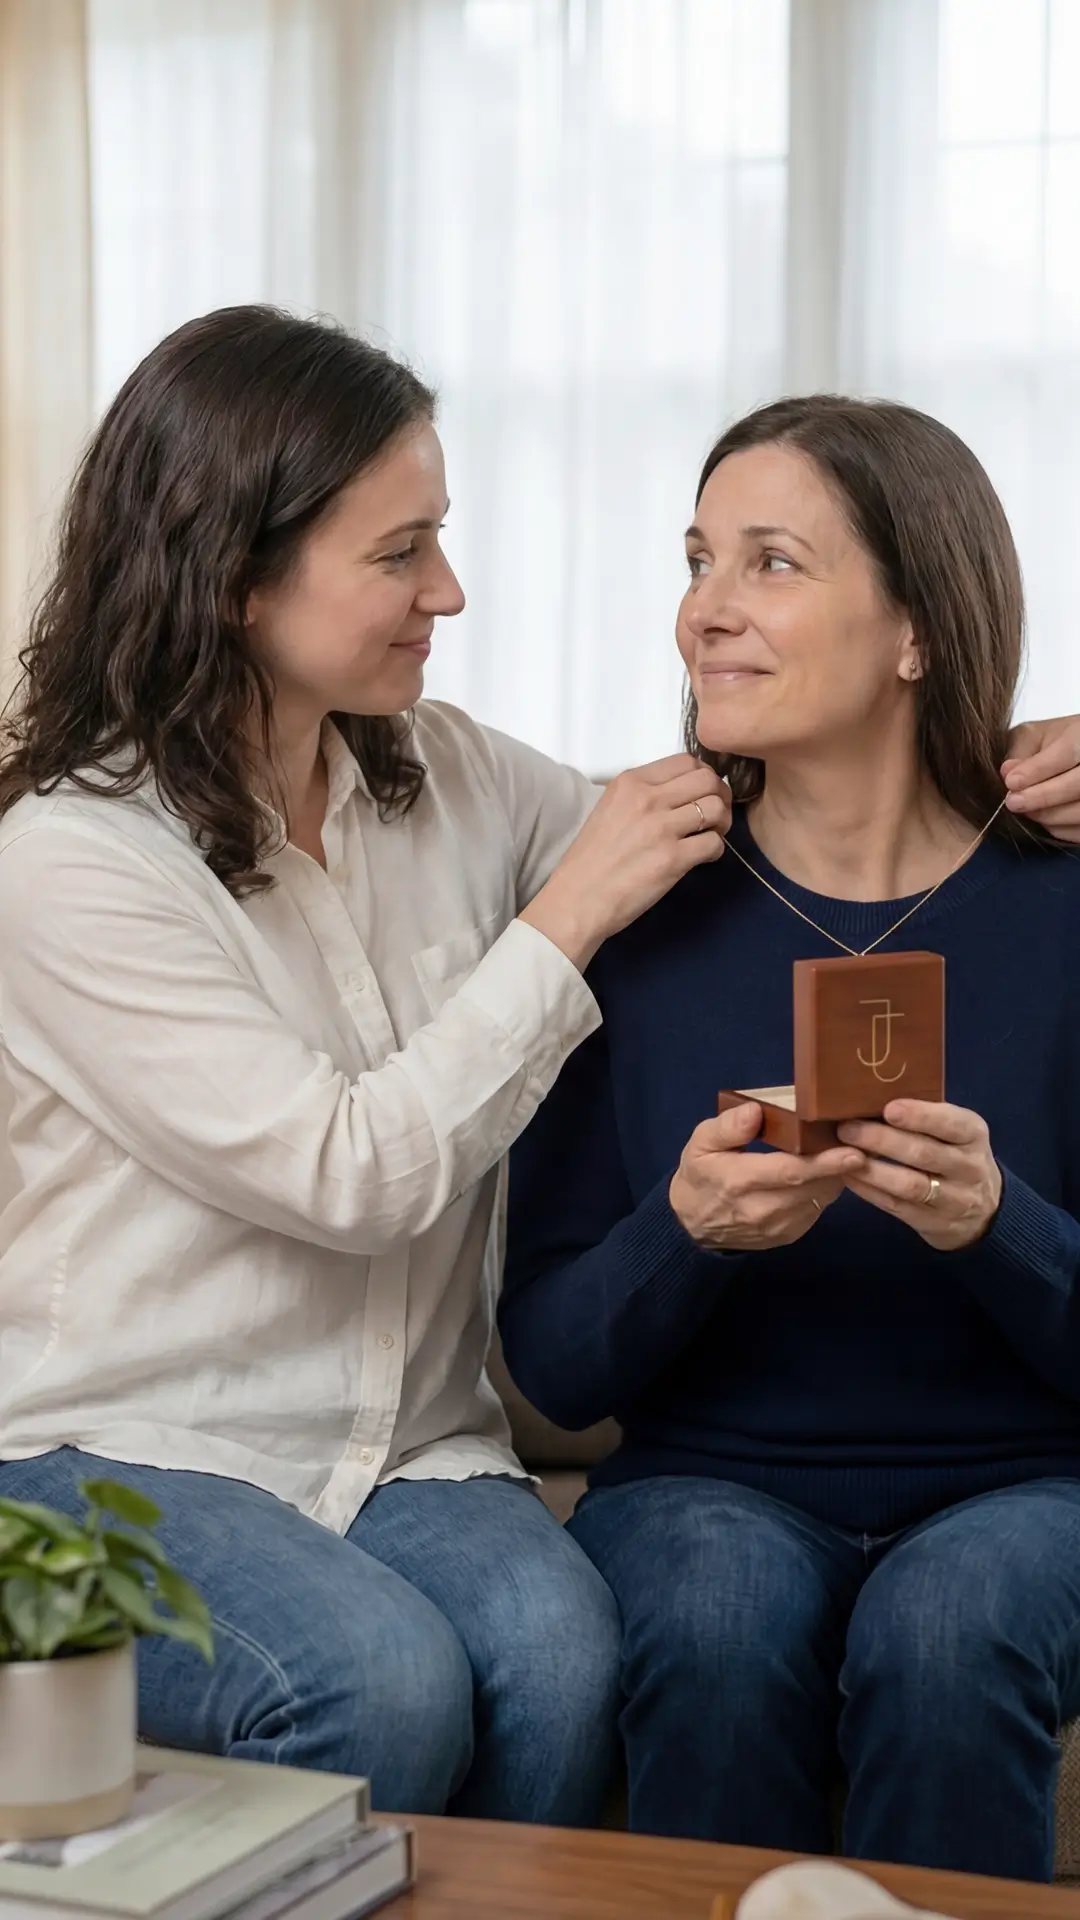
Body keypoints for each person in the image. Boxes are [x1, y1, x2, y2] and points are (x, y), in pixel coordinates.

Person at [0, 305, 738, 1822]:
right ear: (233, 571)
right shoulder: (72, 858)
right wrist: (568, 910)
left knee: (567, 1656)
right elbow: (354, 1174)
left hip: (412, 1451)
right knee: (373, 1678)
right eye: (400, 552)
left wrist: (987, 769)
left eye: (439, 539)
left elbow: (720, 824)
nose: (446, 592)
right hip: (117, 1447)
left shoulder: (446, 771)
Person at [499, 394, 1080, 1881]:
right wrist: (682, 1236)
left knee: (952, 1626)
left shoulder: (1063, 907)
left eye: (771, 564)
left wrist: (991, 1224)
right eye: (698, 561)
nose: (704, 611)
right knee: (709, 1614)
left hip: (1032, 1486)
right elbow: (554, 1361)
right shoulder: (629, 912)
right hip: (705, 1484)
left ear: (919, 631)